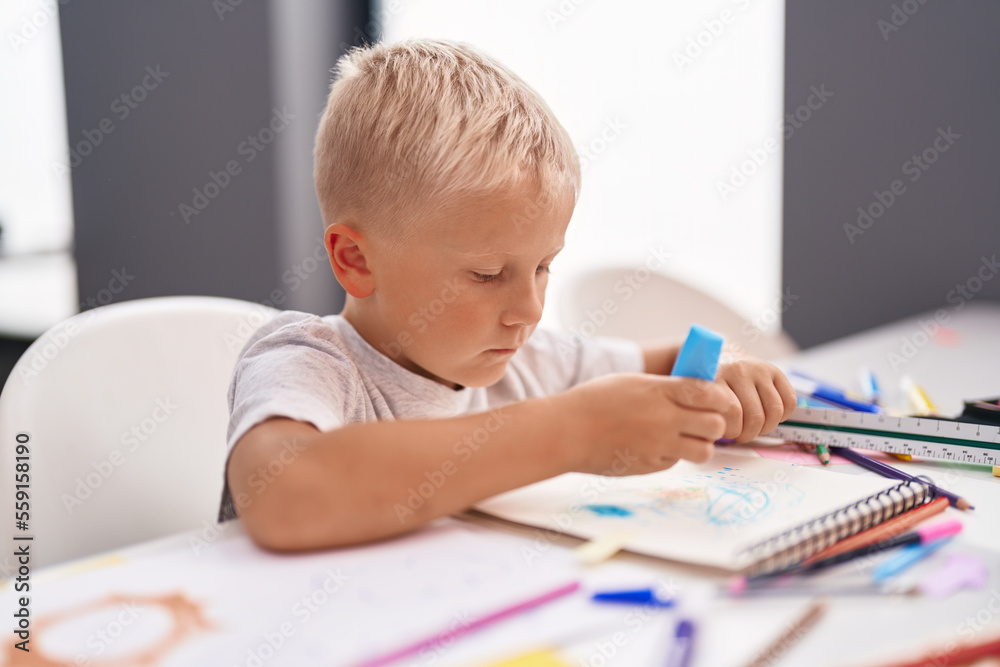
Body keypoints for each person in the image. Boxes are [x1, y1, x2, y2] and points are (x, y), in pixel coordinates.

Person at [218, 38, 796, 551]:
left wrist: (727, 371)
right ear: (356, 260)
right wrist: (571, 432)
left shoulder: (526, 363)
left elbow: (670, 366)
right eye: (488, 274)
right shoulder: (309, 362)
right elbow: (286, 495)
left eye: (544, 266)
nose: (530, 310)